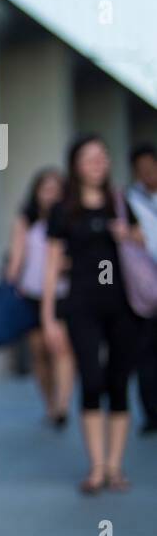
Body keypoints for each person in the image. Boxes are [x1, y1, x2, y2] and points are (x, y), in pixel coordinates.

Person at [42, 134, 146, 493]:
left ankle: (116, 466)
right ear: (75, 164)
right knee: (91, 379)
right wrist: (48, 316)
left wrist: (128, 234)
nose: (98, 163)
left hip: (123, 305)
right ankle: (96, 467)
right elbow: (52, 264)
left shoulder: (120, 201)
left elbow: (146, 242)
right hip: (82, 305)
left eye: (102, 156)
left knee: (118, 383)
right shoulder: (64, 209)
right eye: (90, 157)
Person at [5, 167, 73, 429]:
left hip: (61, 292)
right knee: (39, 352)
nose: (50, 196)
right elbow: (16, 257)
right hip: (31, 293)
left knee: (60, 347)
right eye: (46, 190)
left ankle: (62, 405)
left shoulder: (69, 220)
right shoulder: (26, 221)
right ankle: (49, 401)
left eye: (56, 191)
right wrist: (8, 284)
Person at [126, 142, 157, 435]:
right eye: (142, 170)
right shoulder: (128, 200)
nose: (148, 174)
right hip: (143, 290)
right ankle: (151, 413)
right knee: (146, 353)